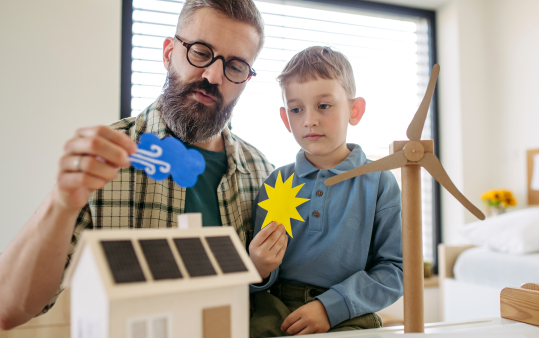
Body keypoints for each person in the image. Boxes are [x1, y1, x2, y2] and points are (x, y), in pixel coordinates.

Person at [0, 0, 286, 330]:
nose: (213, 75)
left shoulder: (263, 174)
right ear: (168, 53)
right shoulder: (104, 156)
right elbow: (8, 308)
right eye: (201, 52)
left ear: (246, 79)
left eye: (235, 66)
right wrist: (61, 204)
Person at [248, 46, 404, 336]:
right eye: (297, 109)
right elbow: (258, 274)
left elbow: (396, 271)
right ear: (286, 119)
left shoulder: (379, 182)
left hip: (350, 313)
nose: (309, 120)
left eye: (324, 105)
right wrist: (257, 269)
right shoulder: (275, 182)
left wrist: (331, 307)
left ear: (354, 110)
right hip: (276, 313)